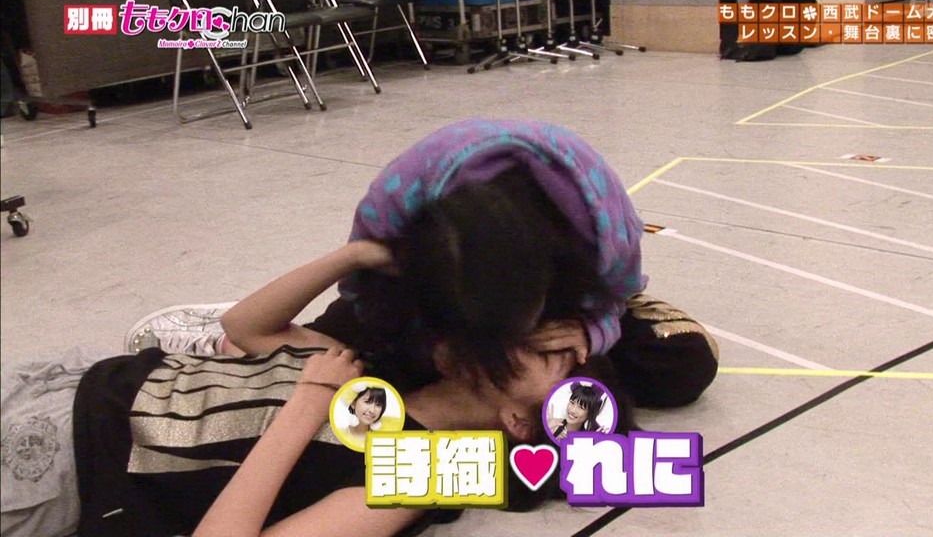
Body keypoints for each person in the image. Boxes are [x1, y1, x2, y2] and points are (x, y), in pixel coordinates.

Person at [2, 238, 627, 537]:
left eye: (549, 357)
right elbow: (245, 327)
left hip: (61, 463)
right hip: (78, 376)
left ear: (520, 422)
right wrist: (352, 257)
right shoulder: (376, 374)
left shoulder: (419, 474)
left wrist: (304, 409)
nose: (524, 339)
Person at [126, 119, 720, 409]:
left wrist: (596, 326)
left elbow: (615, 291)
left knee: (684, 365)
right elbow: (353, 304)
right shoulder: (397, 211)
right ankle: (210, 330)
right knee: (341, 363)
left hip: (562, 294)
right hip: (413, 283)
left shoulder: (600, 222)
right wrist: (359, 256)